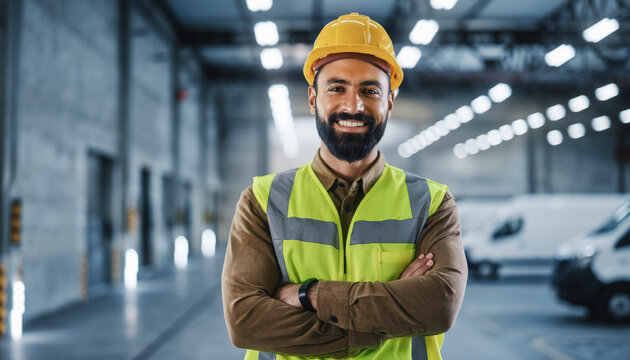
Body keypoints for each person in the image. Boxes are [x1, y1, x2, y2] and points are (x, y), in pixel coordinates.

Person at [222, 12, 467, 360]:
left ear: (390, 102)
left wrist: (309, 295)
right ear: (312, 98)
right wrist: (388, 311)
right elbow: (245, 321)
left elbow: (439, 307)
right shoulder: (263, 200)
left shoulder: (431, 202)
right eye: (337, 88)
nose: (353, 105)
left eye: (370, 90)